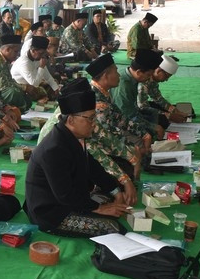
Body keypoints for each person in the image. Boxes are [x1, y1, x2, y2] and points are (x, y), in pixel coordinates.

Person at [24, 84, 128, 238]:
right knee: (113, 228)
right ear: (71, 120)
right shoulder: (54, 149)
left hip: (70, 199)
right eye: (90, 118)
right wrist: (99, 208)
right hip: (52, 212)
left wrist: (116, 191)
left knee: (112, 199)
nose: (94, 123)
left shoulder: (73, 136)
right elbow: (64, 195)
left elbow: (93, 168)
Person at [37, 74, 138, 205]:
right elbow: (95, 155)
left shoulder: (78, 115)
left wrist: (132, 159)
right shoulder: (70, 122)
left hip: (74, 168)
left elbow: (107, 140)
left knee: (118, 167)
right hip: (56, 189)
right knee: (112, 172)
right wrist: (124, 180)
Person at [111, 49, 165, 140]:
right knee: (146, 135)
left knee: (153, 113)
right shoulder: (124, 85)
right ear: (139, 72)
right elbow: (127, 115)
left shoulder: (131, 76)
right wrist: (153, 127)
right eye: (148, 75)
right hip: (119, 120)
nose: (149, 78)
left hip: (130, 112)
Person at [138, 55, 189, 125]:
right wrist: (168, 116)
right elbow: (142, 108)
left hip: (141, 104)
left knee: (163, 110)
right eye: (166, 76)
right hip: (133, 109)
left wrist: (175, 111)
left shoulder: (153, 80)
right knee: (162, 121)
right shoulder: (143, 81)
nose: (166, 80)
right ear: (158, 71)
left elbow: (158, 98)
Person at [11, 36, 60, 101]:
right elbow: (34, 84)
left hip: (33, 82)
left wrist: (55, 88)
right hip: (21, 87)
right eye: (41, 53)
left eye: (44, 53)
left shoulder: (37, 57)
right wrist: (41, 67)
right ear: (33, 50)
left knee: (54, 83)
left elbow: (47, 75)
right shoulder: (24, 63)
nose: (43, 56)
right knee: (38, 91)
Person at [0, 34, 30, 112]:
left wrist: (24, 88)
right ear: (8, 49)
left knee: (25, 96)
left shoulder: (5, 61)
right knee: (14, 92)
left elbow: (10, 80)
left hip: (6, 91)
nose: (17, 55)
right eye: (16, 51)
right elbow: (1, 86)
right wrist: (22, 88)